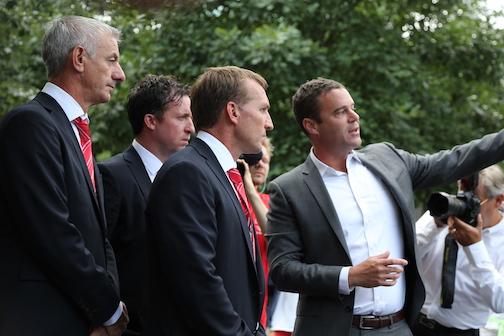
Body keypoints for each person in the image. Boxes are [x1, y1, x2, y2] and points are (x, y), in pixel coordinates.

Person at [266, 77, 504, 336]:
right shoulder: (288, 189)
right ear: (312, 126)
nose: (354, 117)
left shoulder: (387, 159)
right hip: (333, 329)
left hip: (398, 327)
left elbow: (455, 159)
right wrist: (350, 276)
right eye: (340, 112)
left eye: (352, 108)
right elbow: (283, 270)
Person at [0, 16, 128, 336]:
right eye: (112, 59)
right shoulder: (29, 124)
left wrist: (109, 307)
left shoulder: (74, 132)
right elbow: (53, 232)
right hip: (43, 319)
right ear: (79, 58)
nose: (120, 74)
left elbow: (99, 238)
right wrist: (108, 311)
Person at [145, 66, 274, 335]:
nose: (269, 123)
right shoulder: (187, 172)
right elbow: (196, 279)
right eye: (263, 109)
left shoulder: (221, 173)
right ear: (233, 112)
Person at [99, 74, 193, 335]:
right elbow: (98, 253)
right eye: (181, 117)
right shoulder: (112, 176)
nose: (191, 127)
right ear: (150, 121)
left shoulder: (188, 178)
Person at [413, 165, 504, 336]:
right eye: (461, 196)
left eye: (474, 201)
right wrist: (434, 226)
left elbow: (500, 301)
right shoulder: (444, 212)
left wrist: (475, 248)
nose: (464, 205)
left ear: (498, 200)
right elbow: (404, 256)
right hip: (414, 323)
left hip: (461, 332)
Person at [241, 137, 274, 329]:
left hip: (259, 305)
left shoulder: (268, 203)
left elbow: (276, 238)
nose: (261, 165)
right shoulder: (231, 195)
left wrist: (251, 192)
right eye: (256, 159)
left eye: (266, 161)